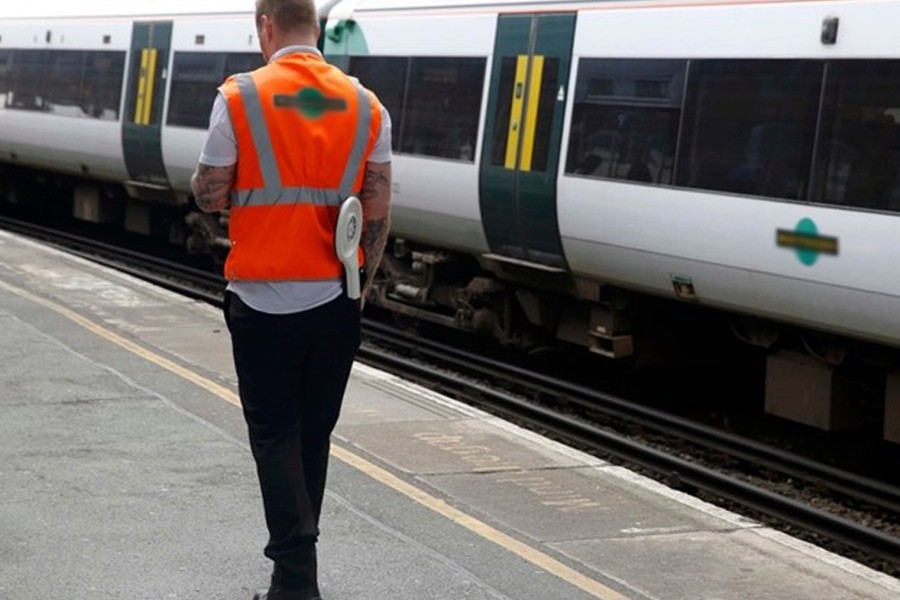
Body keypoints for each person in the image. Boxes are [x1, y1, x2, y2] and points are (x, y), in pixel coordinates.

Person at [190, 1, 392, 599]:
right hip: (335, 300)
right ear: (318, 28)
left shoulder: (240, 98)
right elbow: (377, 213)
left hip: (261, 301)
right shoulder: (367, 105)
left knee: (275, 438)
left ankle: (298, 583)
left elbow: (207, 193)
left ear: (266, 28)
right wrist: (359, 291)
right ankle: (290, 578)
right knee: (312, 437)